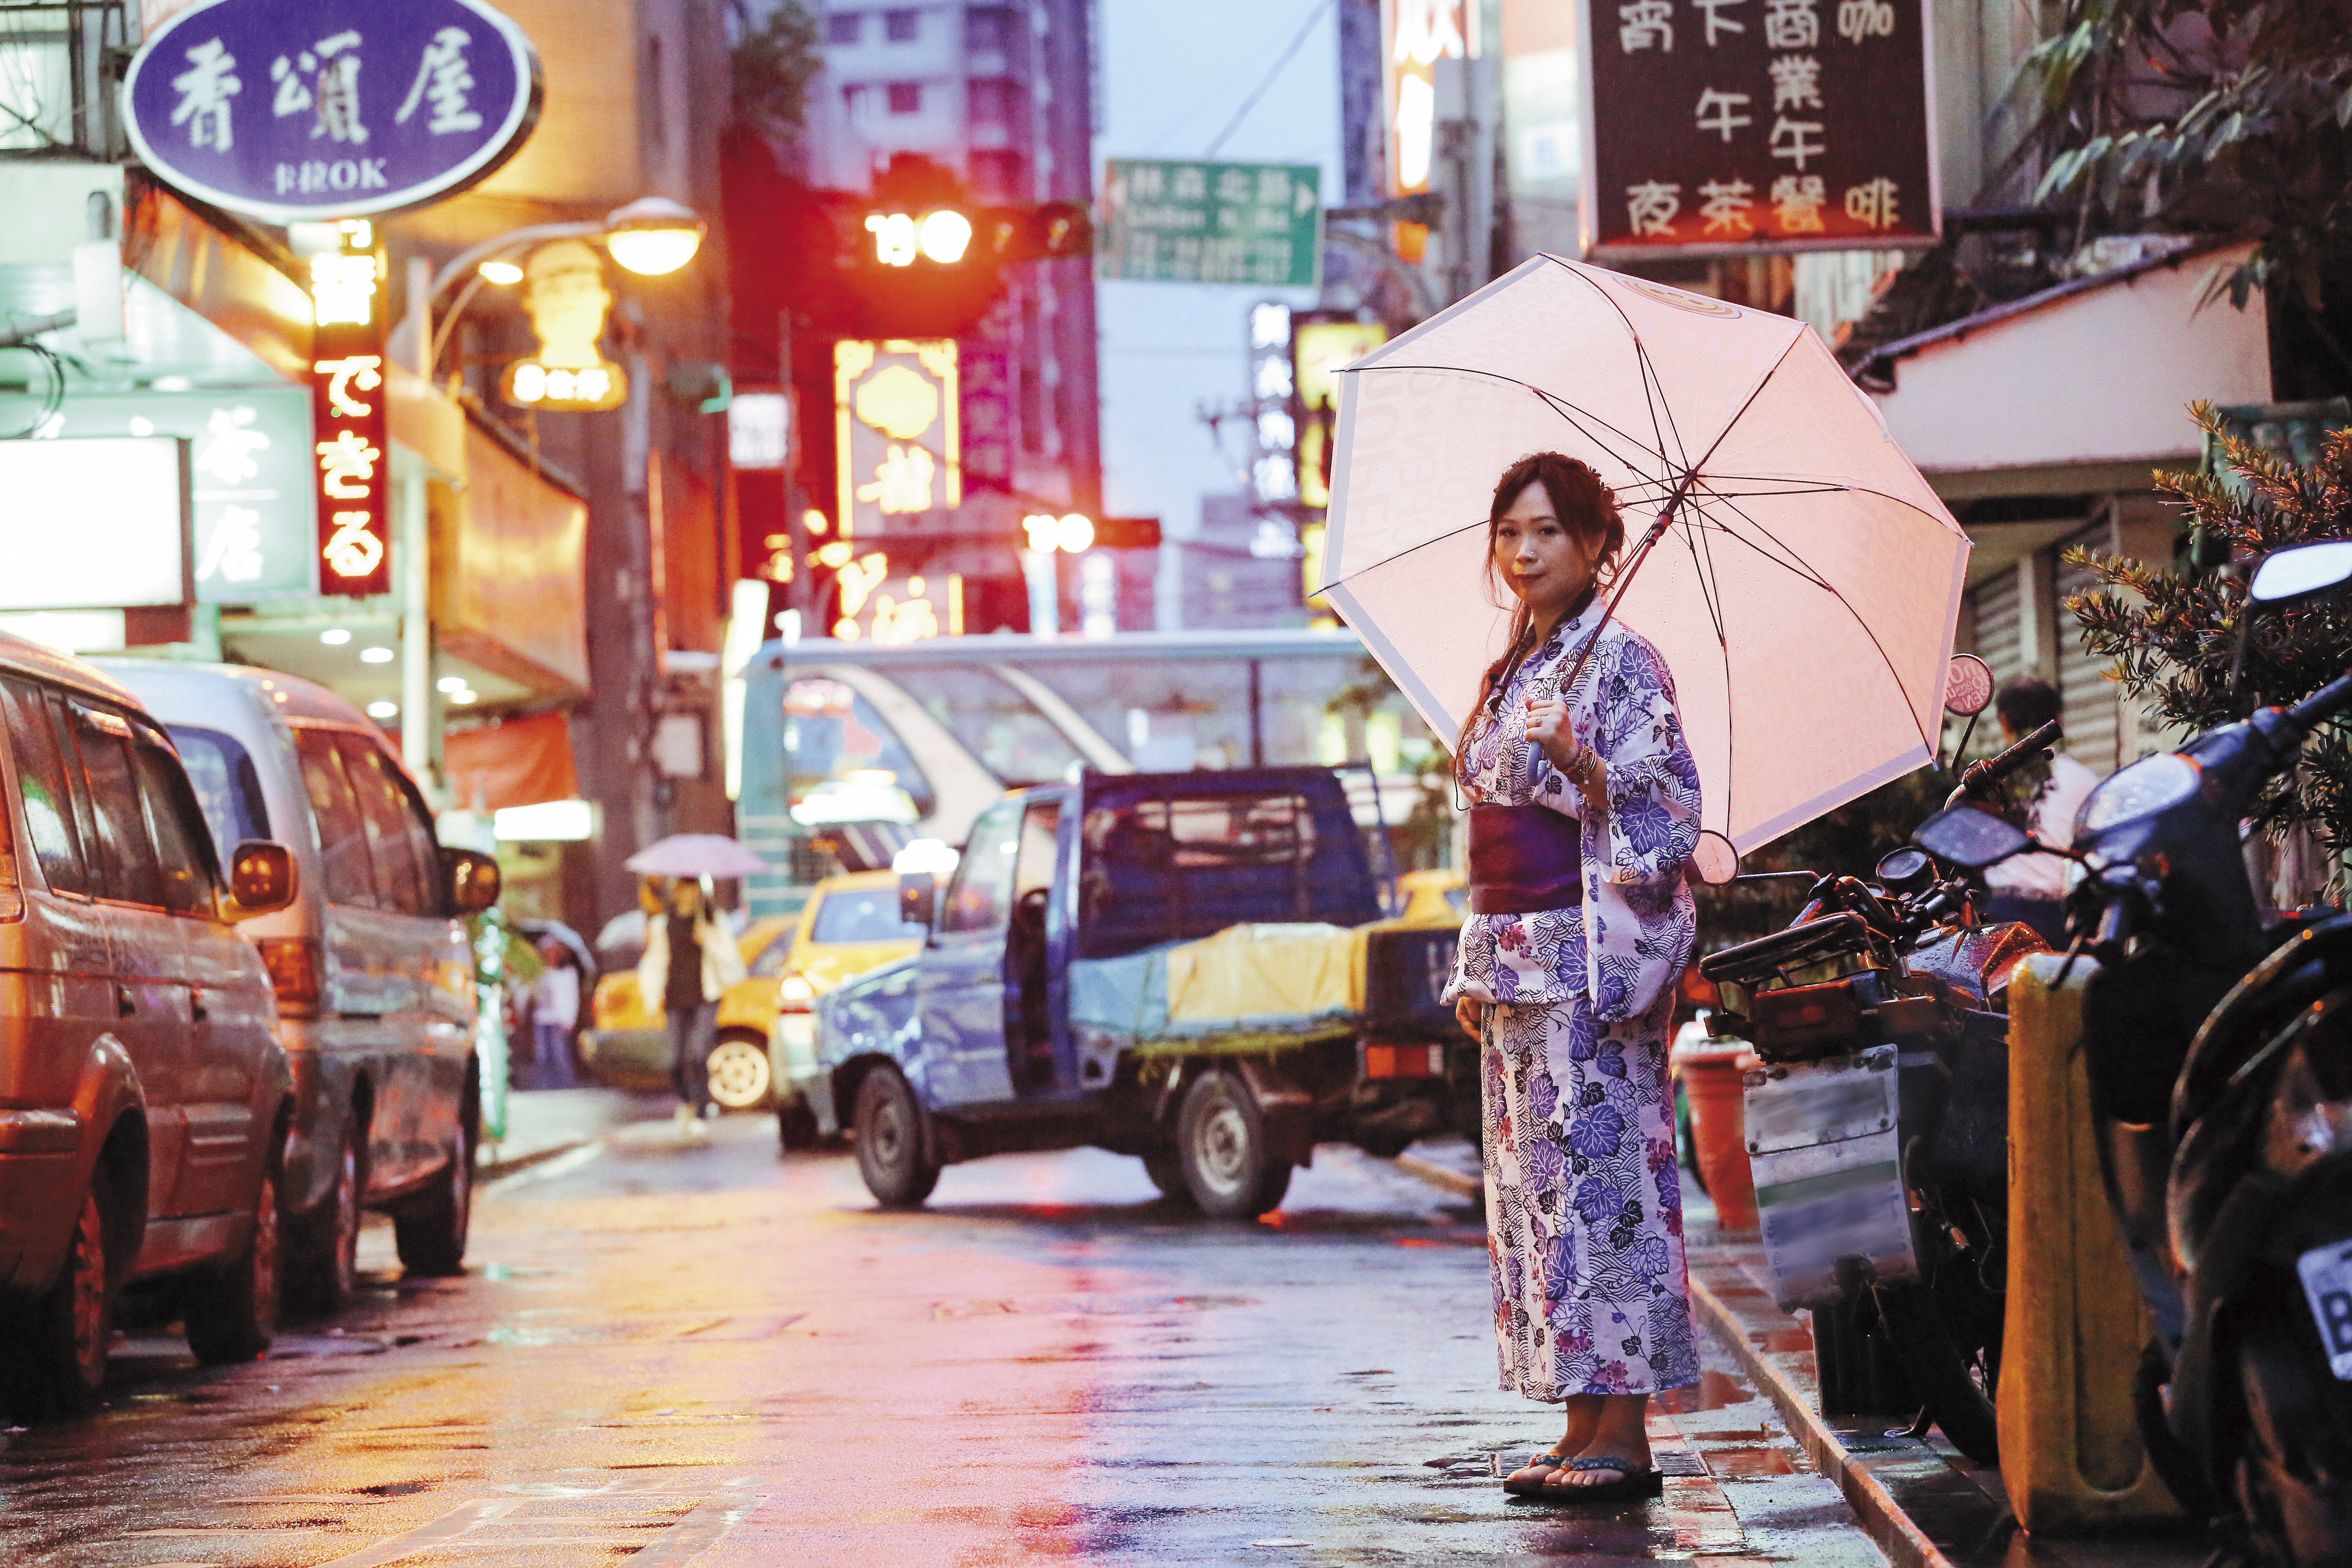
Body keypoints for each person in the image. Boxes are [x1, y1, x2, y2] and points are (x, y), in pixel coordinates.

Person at [1445, 452, 1703, 1502]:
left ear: (1598, 543)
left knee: (1606, 1195)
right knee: (1540, 1201)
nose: (1522, 550)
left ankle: (1624, 1434)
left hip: (1590, 964)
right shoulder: (1519, 666)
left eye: (1547, 530)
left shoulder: (1624, 664)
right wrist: (1476, 963)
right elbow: (1484, 831)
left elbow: (1667, 815)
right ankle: (1576, 1416)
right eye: (1508, 531)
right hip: (1515, 966)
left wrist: (1587, 766)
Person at [1978, 677, 2096, 945]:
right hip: (2060, 918)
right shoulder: (2085, 781)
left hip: (2000, 914)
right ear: (2058, 720)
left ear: (2004, 723)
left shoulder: (1984, 782)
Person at [636, 878, 747, 1136]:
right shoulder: (662, 924)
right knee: (675, 1059)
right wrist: (651, 1000)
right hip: (675, 999)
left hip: (705, 998)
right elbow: (654, 963)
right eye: (682, 890)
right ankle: (687, 1101)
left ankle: (701, 1108)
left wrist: (708, 937)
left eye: (692, 889)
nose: (687, 895)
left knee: (697, 1054)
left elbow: (731, 959)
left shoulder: (712, 921)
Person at [530, 938, 580, 1090]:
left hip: (559, 1020)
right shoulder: (539, 974)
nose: (550, 955)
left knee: (560, 1054)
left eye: (553, 952)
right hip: (541, 1020)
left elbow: (572, 998)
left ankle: (565, 1085)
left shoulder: (567, 974)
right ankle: (547, 1086)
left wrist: (570, 1020)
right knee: (543, 1056)